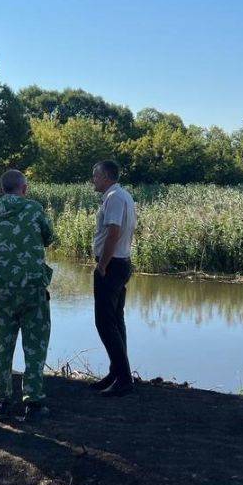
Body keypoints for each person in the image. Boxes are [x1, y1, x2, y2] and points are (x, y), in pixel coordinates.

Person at [0, 169, 54, 422]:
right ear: (24, 189)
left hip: (3, 288)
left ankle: (1, 402)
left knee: (2, 345)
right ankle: (33, 402)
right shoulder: (34, 208)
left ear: (2, 189)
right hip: (32, 288)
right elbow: (49, 237)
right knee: (34, 345)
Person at [89, 159, 137, 397]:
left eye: (96, 176)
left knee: (105, 322)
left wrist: (102, 264)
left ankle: (124, 379)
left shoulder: (114, 197)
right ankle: (117, 372)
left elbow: (114, 232)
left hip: (112, 265)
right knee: (116, 321)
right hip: (120, 264)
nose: (93, 180)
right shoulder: (122, 195)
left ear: (106, 176)